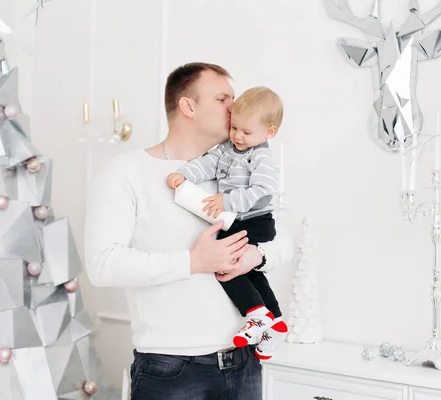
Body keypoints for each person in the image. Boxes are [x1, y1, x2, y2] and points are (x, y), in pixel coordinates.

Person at [84, 62, 294, 400]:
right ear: (188, 106)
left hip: (245, 363)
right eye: (223, 99)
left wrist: (256, 255)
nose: (235, 107)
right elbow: (102, 264)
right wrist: (193, 261)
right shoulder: (125, 173)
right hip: (171, 370)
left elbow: (282, 238)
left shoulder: (238, 167)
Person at [166, 87, 288, 359]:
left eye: (246, 132)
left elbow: (263, 190)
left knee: (223, 262)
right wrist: (182, 174)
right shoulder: (227, 148)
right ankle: (275, 321)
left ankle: (255, 314)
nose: (237, 136)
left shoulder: (261, 157)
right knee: (250, 271)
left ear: (268, 133)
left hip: (255, 219)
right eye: (234, 128)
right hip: (241, 219)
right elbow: (207, 164)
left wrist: (228, 201)